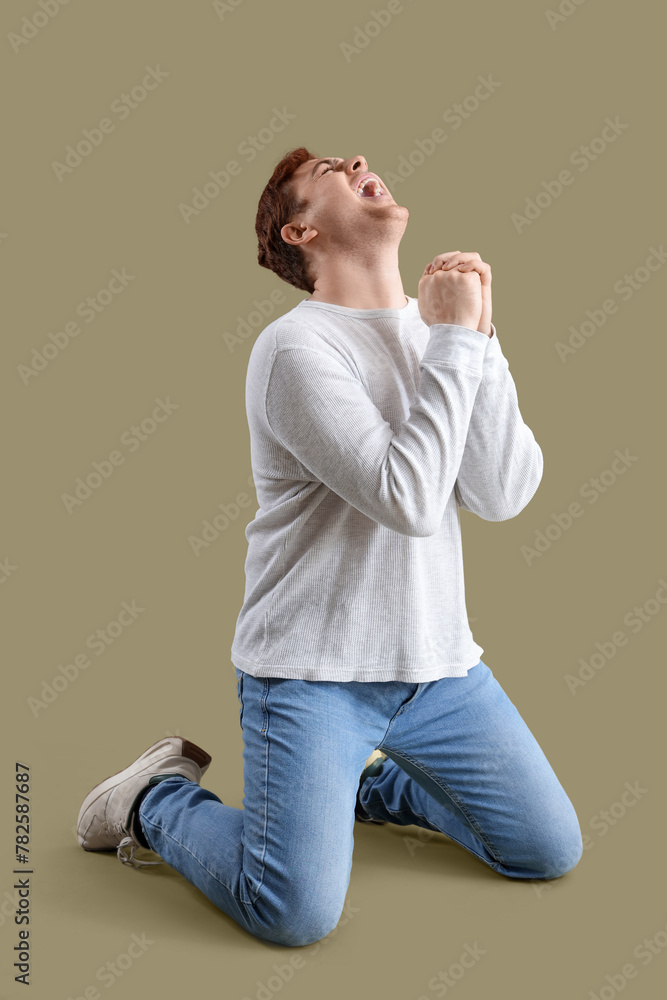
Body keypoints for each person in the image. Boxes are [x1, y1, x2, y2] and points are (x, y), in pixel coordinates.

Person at [77, 148, 583, 949]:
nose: (357, 159)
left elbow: (501, 493)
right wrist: (457, 342)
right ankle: (154, 798)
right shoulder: (295, 349)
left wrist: (478, 339)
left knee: (546, 850)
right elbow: (406, 499)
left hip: (438, 669)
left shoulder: (441, 332)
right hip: (310, 675)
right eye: (326, 169)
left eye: (355, 157)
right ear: (300, 231)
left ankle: (358, 790)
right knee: (292, 915)